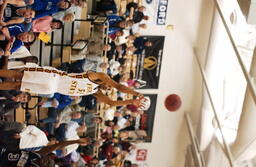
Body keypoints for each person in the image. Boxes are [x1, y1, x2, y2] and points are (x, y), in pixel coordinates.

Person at [0, 63, 145, 107]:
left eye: (109, 88)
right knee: (16, 81)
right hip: (52, 84)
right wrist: (135, 96)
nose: (109, 88)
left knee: (16, 81)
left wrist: (134, 99)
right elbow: (118, 88)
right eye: (109, 86)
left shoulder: (95, 91)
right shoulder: (99, 78)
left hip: (52, 84)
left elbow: (112, 102)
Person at [0, 137, 90, 167]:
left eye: (46, 164)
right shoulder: (39, 154)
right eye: (47, 160)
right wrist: (76, 141)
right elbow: (58, 146)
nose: (45, 162)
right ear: (47, 157)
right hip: (4, 150)